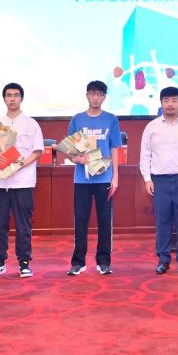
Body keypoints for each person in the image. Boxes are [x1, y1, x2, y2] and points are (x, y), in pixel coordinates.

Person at [139, 86, 178, 275]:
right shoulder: (152, 127)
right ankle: (163, 259)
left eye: (174, 100)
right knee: (162, 223)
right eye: (166, 100)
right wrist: (147, 179)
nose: (170, 104)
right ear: (161, 103)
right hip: (160, 181)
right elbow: (145, 155)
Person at [0, 83, 43, 279]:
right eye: (9, 95)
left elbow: (37, 151)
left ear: (21, 98)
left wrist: (20, 164)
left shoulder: (31, 124)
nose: (12, 99)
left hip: (23, 181)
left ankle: (24, 262)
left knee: (23, 224)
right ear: (4, 99)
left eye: (16, 95)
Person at [66, 80, 122, 276]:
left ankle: (103, 261)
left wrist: (115, 176)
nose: (95, 97)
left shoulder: (111, 119)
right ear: (87, 95)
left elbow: (115, 148)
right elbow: (70, 150)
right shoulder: (77, 120)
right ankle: (78, 262)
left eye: (99, 94)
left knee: (105, 221)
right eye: (92, 93)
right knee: (80, 220)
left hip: (104, 179)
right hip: (82, 179)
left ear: (104, 97)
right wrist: (77, 159)